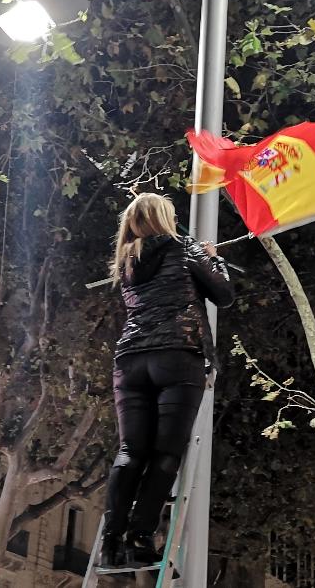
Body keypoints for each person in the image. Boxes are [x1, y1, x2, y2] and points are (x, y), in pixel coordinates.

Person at [99, 193, 234, 569]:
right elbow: (223, 295)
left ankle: (111, 541)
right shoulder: (183, 247)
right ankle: (140, 537)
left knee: (130, 452)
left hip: (130, 361)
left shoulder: (126, 258)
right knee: (165, 454)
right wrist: (213, 258)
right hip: (177, 354)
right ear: (164, 218)